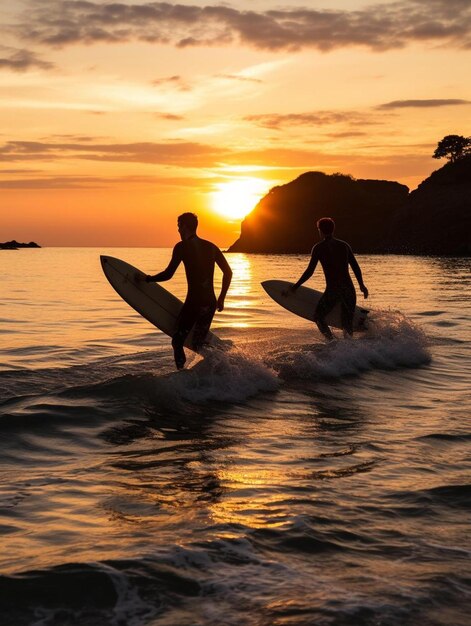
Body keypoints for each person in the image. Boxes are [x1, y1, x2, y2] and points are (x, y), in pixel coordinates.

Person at [143, 212, 232, 369]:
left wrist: (148, 279)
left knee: (177, 340)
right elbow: (228, 272)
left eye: (179, 226)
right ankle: (224, 365)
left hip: (194, 303)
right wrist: (221, 298)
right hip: (210, 303)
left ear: (184, 226)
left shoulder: (182, 247)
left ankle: (181, 376)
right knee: (198, 344)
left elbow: (168, 274)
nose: (178, 230)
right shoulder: (211, 247)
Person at [286, 217, 368, 341]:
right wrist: (362, 285)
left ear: (320, 231)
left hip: (333, 291)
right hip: (349, 290)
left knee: (319, 317)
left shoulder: (318, 248)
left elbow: (310, 271)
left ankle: (332, 342)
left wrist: (295, 287)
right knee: (347, 324)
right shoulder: (344, 246)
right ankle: (351, 351)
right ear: (333, 229)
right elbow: (355, 267)